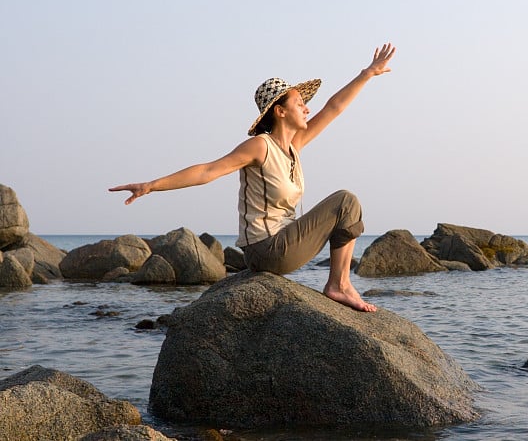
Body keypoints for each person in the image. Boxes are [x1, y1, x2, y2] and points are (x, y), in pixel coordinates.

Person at [110, 43, 396, 312]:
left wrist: (368, 73)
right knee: (345, 201)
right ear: (280, 111)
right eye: (300, 103)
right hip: (266, 248)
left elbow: (333, 108)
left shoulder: (294, 147)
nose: (307, 108)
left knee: (348, 206)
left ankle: (338, 283)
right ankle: (339, 284)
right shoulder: (260, 146)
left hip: (282, 241)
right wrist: (151, 186)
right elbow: (208, 171)